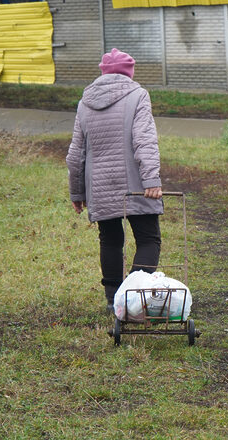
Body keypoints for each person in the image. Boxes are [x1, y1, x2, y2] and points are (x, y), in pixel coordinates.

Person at [66, 48, 163, 314]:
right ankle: (133, 297)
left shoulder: (85, 102)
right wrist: (151, 179)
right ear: (129, 72)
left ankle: (113, 300)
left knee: (109, 239)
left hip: (99, 186)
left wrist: (77, 193)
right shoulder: (137, 95)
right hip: (135, 185)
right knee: (149, 239)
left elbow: (76, 152)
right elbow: (145, 140)